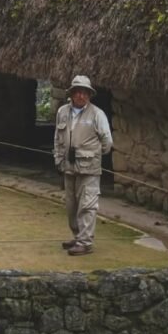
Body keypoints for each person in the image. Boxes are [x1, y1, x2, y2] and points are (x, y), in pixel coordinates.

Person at [53, 75, 112, 256]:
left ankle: (85, 242)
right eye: (77, 92)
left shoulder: (97, 114)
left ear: (89, 95)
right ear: (71, 94)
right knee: (71, 205)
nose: (80, 96)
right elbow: (57, 137)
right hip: (68, 166)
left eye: (84, 92)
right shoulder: (62, 112)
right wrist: (57, 157)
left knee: (87, 204)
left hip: (89, 168)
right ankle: (78, 236)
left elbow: (107, 142)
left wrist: (91, 155)